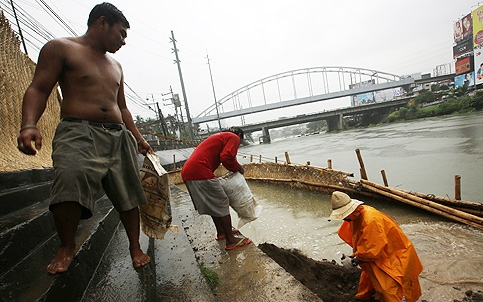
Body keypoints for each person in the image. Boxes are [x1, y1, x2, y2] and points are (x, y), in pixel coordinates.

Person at [17, 2, 152, 274]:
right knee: (68, 182)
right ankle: (67, 245)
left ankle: (134, 246)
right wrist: (28, 124)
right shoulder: (61, 48)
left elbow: (122, 107)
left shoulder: (116, 65)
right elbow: (39, 89)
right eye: (121, 33)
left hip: (118, 137)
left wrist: (137, 137)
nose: (124, 41)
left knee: (129, 194)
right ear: (102, 22)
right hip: (78, 131)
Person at [328, 191, 423, 302]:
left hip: (395, 254)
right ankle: (366, 297)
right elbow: (365, 243)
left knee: (388, 289)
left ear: (351, 210)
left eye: (343, 216)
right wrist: (353, 256)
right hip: (381, 251)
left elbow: (371, 251)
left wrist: (353, 261)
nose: (344, 219)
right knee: (370, 277)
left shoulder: (370, 220)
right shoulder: (357, 215)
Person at [181, 127, 252, 251]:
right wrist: (238, 168)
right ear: (239, 136)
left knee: (214, 203)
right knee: (222, 201)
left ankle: (222, 233)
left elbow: (224, 156)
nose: (238, 144)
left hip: (188, 172)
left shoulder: (220, 137)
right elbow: (226, 157)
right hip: (200, 171)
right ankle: (231, 240)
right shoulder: (233, 137)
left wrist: (233, 165)